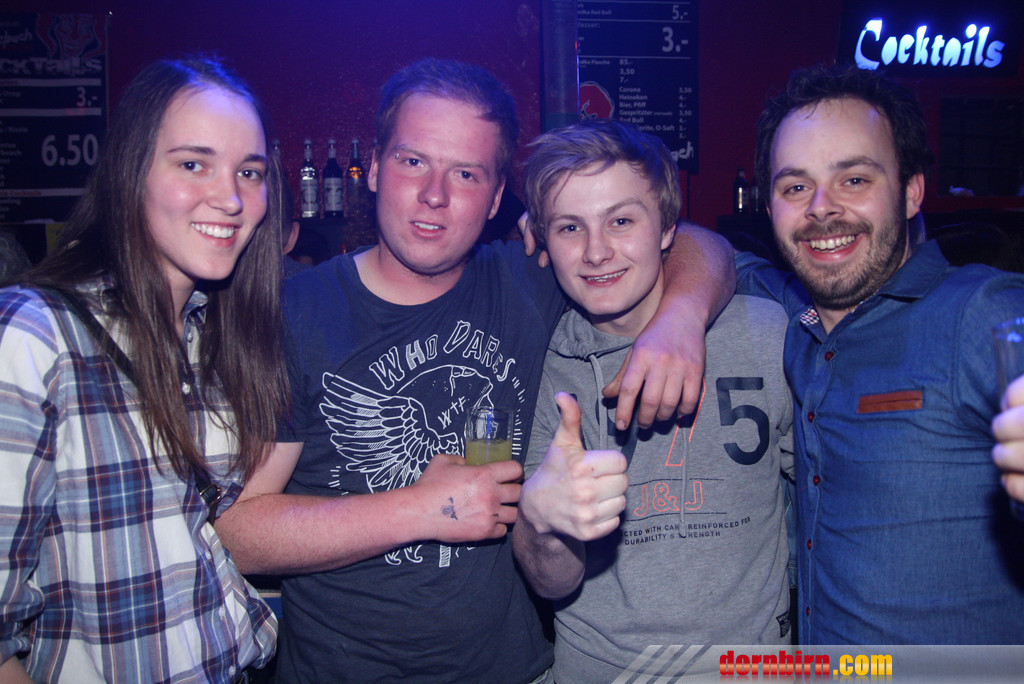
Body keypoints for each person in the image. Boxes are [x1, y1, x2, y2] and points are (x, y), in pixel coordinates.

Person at [214, 58, 735, 682]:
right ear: (374, 168)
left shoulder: (528, 281)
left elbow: (696, 242)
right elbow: (239, 530)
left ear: (495, 200)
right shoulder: (293, 311)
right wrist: (423, 508)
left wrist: (680, 317)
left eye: (465, 173)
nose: (434, 194)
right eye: (413, 161)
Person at [0, 57, 289, 681]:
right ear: (131, 172)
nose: (231, 198)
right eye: (193, 164)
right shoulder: (38, 334)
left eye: (249, 172)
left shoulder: (212, 339)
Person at [737, 63, 1024, 644]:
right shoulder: (790, 312)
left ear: (911, 191)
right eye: (796, 187)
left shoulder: (978, 312)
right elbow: (704, 251)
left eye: (854, 179)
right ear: (769, 209)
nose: (821, 208)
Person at [511, 119, 794, 682]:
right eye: (570, 227)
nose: (596, 252)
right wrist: (542, 525)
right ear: (542, 241)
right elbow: (550, 582)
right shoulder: (543, 363)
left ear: (667, 227)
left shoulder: (765, 334)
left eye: (621, 220)